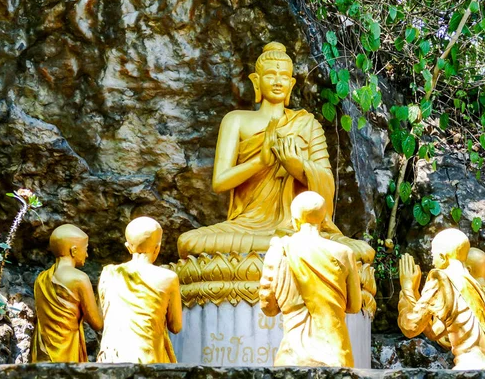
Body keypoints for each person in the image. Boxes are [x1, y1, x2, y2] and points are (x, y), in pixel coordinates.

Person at [177, 42, 374, 263]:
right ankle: (288, 250)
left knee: (360, 251)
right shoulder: (236, 120)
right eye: (270, 75)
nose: (278, 81)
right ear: (256, 81)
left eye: (283, 77)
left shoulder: (307, 124)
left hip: (297, 227)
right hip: (246, 228)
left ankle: (282, 249)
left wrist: (297, 167)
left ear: (291, 84)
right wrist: (260, 162)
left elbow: (326, 183)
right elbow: (220, 183)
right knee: (189, 242)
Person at [259, 191, 362, 367]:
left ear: (294, 220)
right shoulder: (345, 253)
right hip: (335, 357)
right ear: (323, 220)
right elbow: (354, 306)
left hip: (292, 357)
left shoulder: (279, 250)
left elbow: (268, 307)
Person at [397, 228, 485, 370]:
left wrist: (407, 287)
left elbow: (411, 327)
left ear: (443, 257)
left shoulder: (441, 278)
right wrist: (415, 293)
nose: (432, 262)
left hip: (469, 367)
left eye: (433, 256)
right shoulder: (476, 287)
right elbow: (435, 332)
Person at [97, 217, 182, 363]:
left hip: (112, 360)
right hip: (149, 359)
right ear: (158, 247)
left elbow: (101, 319)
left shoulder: (109, 274)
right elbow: (176, 326)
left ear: (128, 247)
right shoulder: (168, 278)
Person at [31, 224, 103, 362]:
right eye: (86, 249)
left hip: (42, 351)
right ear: (74, 250)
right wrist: (102, 295)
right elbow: (97, 324)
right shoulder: (79, 279)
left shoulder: (41, 279)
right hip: (67, 351)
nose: (87, 255)